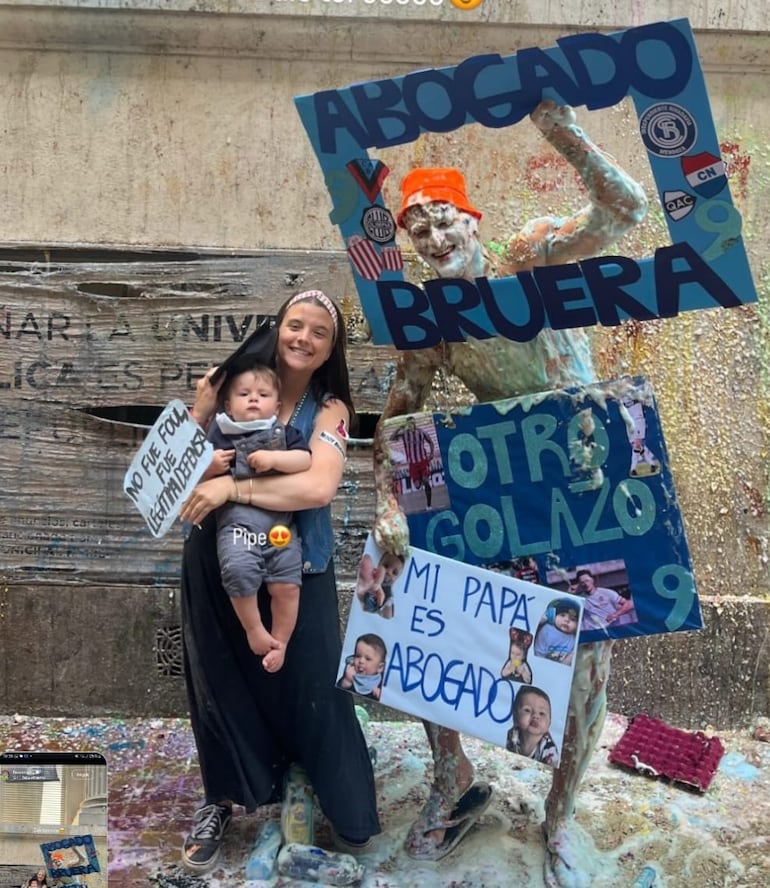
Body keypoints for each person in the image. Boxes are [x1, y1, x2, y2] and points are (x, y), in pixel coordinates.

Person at [372, 100, 647, 880]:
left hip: (584, 482)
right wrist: (391, 505)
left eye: (443, 219)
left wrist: (556, 127)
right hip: (502, 490)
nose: (433, 237)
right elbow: (394, 425)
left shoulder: (530, 259)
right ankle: (451, 779)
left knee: (589, 658)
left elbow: (625, 207)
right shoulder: (432, 323)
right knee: (419, 611)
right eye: (417, 229)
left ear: (472, 217)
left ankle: (559, 817)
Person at [178, 290, 380, 872]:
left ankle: (346, 806)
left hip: (298, 564)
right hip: (218, 560)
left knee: (316, 688)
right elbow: (177, 474)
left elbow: (316, 487)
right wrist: (198, 411)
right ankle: (220, 799)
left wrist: (232, 489)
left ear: (330, 349)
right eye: (296, 325)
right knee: (218, 684)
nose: (304, 338)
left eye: (320, 332)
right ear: (279, 327)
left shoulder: (330, 410)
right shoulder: (234, 383)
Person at [203, 361, 311, 672]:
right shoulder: (220, 434)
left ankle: (281, 642)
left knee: (287, 584)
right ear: (228, 405)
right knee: (238, 570)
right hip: (238, 526)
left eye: (263, 394)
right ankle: (254, 628)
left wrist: (276, 458)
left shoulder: (286, 434)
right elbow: (191, 473)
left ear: (277, 407)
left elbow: (304, 460)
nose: (253, 399)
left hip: (280, 528)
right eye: (244, 393)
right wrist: (209, 466)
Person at [390, 416, 435, 508]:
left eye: (412, 423)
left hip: (422, 461)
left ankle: (429, 505)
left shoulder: (422, 432)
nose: (411, 425)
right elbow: (391, 438)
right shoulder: (404, 434)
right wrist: (399, 428)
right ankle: (422, 479)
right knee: (417, 486)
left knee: (426, 482)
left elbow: (431, 442)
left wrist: (431, 454)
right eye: (409, 423)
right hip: (412, 464)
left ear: (415, 423)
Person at [506, 687, 560, 766]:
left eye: (541, 713)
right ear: (515, 715)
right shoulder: (512, 734)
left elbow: (552, 768)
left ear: (549, 723)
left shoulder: (548, 748)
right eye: (527, 710)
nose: (535, 716)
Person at [355, 550, 405, 618]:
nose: (388, 572)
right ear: (378, 564)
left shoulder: (389, 596)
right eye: (386, 566)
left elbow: (388, 617)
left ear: (398, 578)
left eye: (394, 573)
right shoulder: (370, 575)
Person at [337, 633, 387, 700]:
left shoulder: (381, 684)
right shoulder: (350, 674)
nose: (361, 661)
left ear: (380, 667)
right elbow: (338, 692)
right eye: (358, 656)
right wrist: (346, 681)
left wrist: (382, 696)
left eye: (368, 659)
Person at [534, 600, 579, 665]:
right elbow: (538, 651)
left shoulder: (574, 638)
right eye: (562, 615)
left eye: (572, 619)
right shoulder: (546, 630)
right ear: (553, 616)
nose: (566, 620)